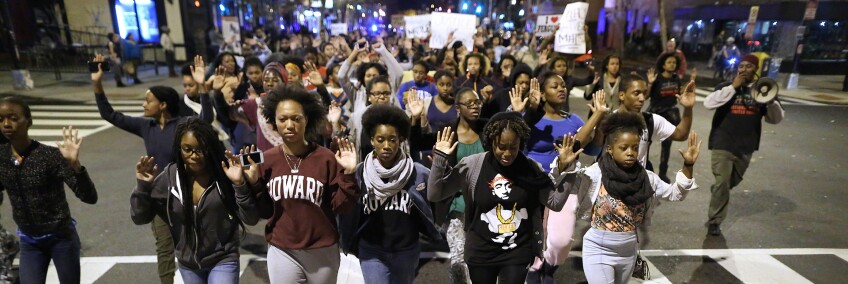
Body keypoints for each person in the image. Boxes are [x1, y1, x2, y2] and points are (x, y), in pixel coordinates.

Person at [92, 54, 213, 284]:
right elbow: (110, 115)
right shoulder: (145, 126)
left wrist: (203, 88)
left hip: (185, 197)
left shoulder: (182, 125)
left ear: (163, 105)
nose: (144, 105)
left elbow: (205, 119)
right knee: (164, 249)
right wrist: (97, 83)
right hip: (159, 199)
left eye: (148, 101)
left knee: (193, 243)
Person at [549, 111, 701, 284]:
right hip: (598, 249)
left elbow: (676, 194)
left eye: (635, 147)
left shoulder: (647, 178)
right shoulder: (594, 174)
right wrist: (563, 163)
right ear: (610, 149)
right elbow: (562, 182)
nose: (631, 152)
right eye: (624, 147)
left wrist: (688, 165)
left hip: (628, 250)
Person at [428, 112, 570, 284]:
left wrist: (569, 170)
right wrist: (439, 161)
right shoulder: (472, 165)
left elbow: (554, 203)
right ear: (490, 142)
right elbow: (435, 194)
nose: (507, 153)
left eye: (513, 147)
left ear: (521, 144)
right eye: (501, 146)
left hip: (518, 251)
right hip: (481, 250)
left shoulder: (531, 169)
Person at [253, 85, 360, 283]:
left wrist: (349, 174)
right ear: (274, 122)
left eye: (296, 118)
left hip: (322, 249)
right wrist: (252, 184)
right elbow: (264, 211)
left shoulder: (326, 158)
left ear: (306, 120)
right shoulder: (266, 160)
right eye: (283, 119)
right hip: (282, 248)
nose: (290, 125)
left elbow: (342, 206)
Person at [131, 118, 260, 283]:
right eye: (187, 149)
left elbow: (251, 218)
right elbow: (139, 217)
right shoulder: (170, 179)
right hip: (188, 264)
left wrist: (240, 184)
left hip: (223, 258)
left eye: (200, 149)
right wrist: (142, 187)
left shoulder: (224, 175)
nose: (194, 156)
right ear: (179, 149)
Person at [338, 105, 441, 284]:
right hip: (372, 250)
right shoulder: (360, 173)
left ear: (401, 140)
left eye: (392, 140)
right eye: (380, 139)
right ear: (372, 140)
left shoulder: (417, 172)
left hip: (406, 250)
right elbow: (345, 208)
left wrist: (441, 165)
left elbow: (437, 196)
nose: (386, 146)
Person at [0, 97, 98, 283]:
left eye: (13, 118)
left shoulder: (49, 156)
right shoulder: (1, 156)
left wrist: (75, 166)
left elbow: (89, 197)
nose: (6, 124)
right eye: (0, 119)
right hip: (29, 241)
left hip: (61, 238)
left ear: (28, 121)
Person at [703, 54, 784, 236]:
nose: (743, 69)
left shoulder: (762, 89)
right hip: (722, 143)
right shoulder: (725, 87)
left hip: (746, 145)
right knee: (722, 181)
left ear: (755, 69)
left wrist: (770, 101)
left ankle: (718, 191)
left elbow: (776, 119)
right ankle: (715, 220)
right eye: (741, 66)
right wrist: (733, 87)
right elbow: (708, 103)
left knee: (730, 182)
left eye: (748, 66)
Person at [647, 54, 692, 182]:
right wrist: (650, 83)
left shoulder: (675, 78)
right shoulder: (657, 78)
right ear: (663, 65)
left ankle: (662, 173)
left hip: (670, 116)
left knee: (667, 146)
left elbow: (679, 93)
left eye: (674, 62)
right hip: (655, 114)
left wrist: (689, 85)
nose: (672, 64)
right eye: (669, 62)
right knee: (646, 143)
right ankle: (645, 170)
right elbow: (646, 97)